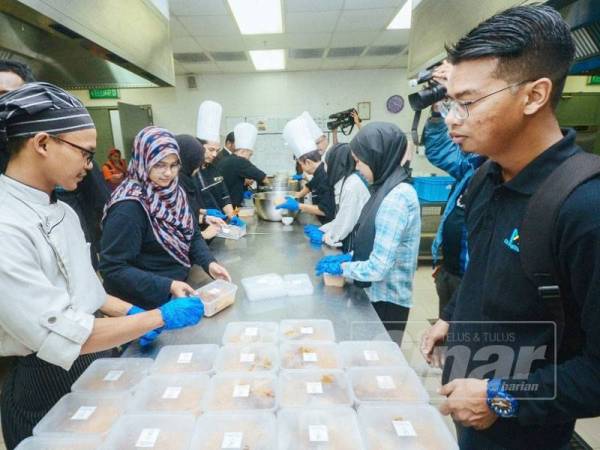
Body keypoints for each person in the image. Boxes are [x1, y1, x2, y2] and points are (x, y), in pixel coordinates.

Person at [419, 5, 600, 450]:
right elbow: (485, 266)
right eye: (449, 102)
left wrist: (502, 397)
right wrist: (454, 317)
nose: (452, 119)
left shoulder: (584, 207)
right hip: (470, 412)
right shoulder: (486, 177)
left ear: (534, 95)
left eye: (468, 102)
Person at [0, 83, 204, 449]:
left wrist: (131, 312)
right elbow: (60, 334)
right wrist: (158, 317)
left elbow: (91, 294)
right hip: (41, 379)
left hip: (93, 363)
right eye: (85, 153)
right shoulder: (5, 224)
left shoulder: (61, 211)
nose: (90, 166)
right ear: (43, 143)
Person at [99, 126, 231, 311]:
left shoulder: (175, 193)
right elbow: (113, 269)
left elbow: (192, 235)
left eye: (173, 165)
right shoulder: (129, 207)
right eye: (159, 164)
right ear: (142, 161)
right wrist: (168, 285)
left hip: (175, 293)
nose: (168, 173)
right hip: (143, 305)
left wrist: (209, 263)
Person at [315, 122, 420, 343]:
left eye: (361, 162)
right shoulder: (385, 187)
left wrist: (342, 267)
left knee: (380, 367)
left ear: (377, 158)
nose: (358, 168)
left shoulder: (397, 198)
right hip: (376, 294)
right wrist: (352, 257)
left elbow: (378, 268)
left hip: (387, 301)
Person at [423, 61, 486, 317]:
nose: (452, 119)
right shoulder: (471, 167)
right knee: (451, 345)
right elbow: (439, 150)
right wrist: (435, 112)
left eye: (466, 104)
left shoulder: (514, 173)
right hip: (450, 273)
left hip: (475, 285)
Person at [278, 117, 335, 224]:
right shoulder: (320, 171)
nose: (302, 169)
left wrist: (297, 205)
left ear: (308, 162)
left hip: (329, 225)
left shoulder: (325, 177)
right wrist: (297, 195)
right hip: (322, 222)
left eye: (301, 165)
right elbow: (310, 185)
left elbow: (326, 210)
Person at [314, 143, 371, 249]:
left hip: (357, 242)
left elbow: (345, 224)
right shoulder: (349, 180)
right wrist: (323, 229)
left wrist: (328, 236)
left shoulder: (352, 185)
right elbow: (343, 217)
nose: (326, 168)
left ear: (336, 164)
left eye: (327, 163)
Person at [175, 134, 226, 241]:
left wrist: (205, 218)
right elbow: (175, 230)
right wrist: (203, 235)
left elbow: (188, 214)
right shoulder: (176, 187)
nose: (198, 170)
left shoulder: (187, 179)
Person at [195, 100, 236, 221]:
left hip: (219, 223)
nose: (214, 154)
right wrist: (205, 213)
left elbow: (224, 196)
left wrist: (232, 215)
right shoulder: (189, 172)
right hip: (200, 225)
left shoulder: (213, 167)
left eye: (217, 150)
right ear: (198, 146)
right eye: (211, 149)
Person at [218, 122, 268, 208]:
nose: (249, 158)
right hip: (232, 205)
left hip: (223, 204)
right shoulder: (240, 161)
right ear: (243, 151)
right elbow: (263, 178)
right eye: (250, 154)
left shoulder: (227, 159)